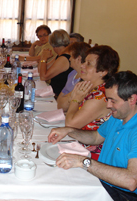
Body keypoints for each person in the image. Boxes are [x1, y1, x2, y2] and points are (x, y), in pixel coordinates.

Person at [48, 71, 137, 201]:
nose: (108, 105)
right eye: (107, 99)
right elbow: (96, 137)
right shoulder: (118, 117)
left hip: (120, 195)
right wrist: (69, 131)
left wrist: (83, 161)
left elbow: (131, 181)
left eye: (113, 101)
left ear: (132, 99)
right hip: (101, 181)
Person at [65, 45, 119, 159]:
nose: (82, 65)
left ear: (103, 71)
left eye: (88, 63)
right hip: (80, 145)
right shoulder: (91, 88)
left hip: (91, 155)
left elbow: (70, 125)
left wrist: (75, 100)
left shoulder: (100, 97)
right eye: (84, 61)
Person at [57, 42, 91, 112]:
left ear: (78, 59)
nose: (69, 59)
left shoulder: (85, 80)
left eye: (71, 56)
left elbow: (62, 105)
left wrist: (64, 100)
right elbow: (59, 101)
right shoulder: (72, 73)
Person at [38, 29, 73, 96]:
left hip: (58, 96)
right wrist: (43, 58)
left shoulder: (64, 58)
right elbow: (40, 71)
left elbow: (43, 77)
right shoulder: (61, 55)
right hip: (53, 92)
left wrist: (44, 58)